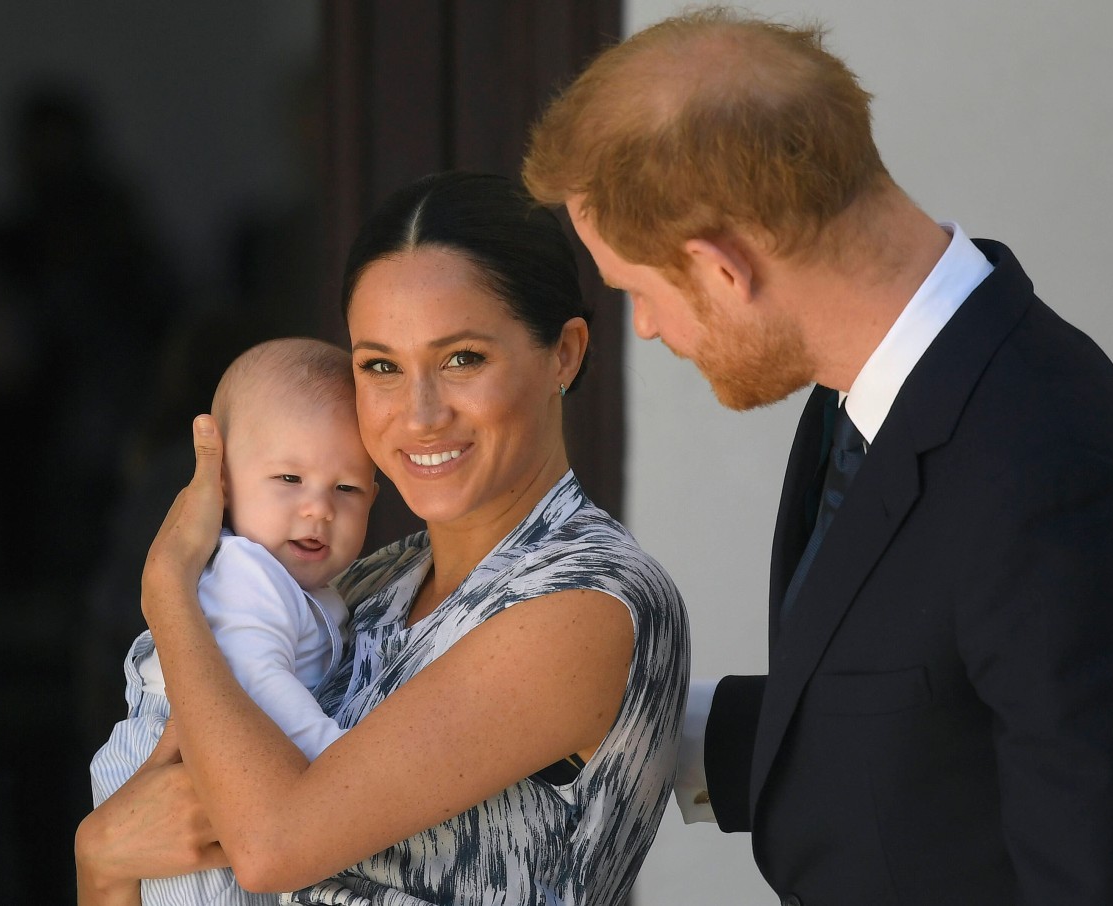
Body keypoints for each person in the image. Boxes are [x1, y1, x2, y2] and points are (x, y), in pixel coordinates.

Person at [522, 7, 1113, 905]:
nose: (646, 328)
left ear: (723, 268)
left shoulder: (1054, 480)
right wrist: (604, 717)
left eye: (638, 293)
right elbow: (915, 721)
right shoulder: (873, 388)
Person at [75, 171, 691, 906]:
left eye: (463, 358)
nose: (420, 414)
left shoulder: (586, 600)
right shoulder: (359, 588)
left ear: (564, 353)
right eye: (381, 367)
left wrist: (168, 590)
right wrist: (99, 859)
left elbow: (271, 847)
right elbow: (158, 861)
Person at [89, 337, 377, 905]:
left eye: (346, 488)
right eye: (289, 480)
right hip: (178, 775)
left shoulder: (314, 589)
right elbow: (258, 682)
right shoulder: (247, 573)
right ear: (220, 486)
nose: (319, 508)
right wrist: (341, 769)